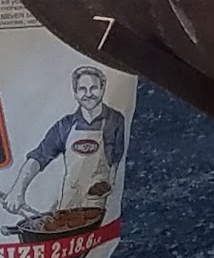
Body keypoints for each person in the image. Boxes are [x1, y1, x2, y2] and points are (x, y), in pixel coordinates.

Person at [2, 64, 127, 218]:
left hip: (100, 203)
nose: (88, 94)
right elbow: (39, 157)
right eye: (82, 89)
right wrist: (17, 190)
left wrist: (109, 184)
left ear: (102, 88)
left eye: (93, 88)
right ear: (75, 93)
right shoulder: (65, 125)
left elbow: (116, 159)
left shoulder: (115, 120)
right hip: (69, 202)